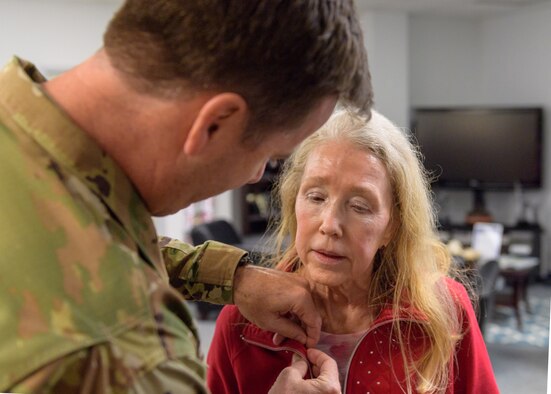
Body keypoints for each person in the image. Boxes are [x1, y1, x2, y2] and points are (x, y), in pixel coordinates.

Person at [0, 1, 373, 392]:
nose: (255, 175)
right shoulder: (128, 357)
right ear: (214, 124)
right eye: (269, 155)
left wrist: (231, 277)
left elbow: (74, 244)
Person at [207, 109, 500, 393]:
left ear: (392, 226)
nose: (330, 225)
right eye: (316, 196)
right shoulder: (242, 322)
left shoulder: (444, 310)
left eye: (360, 206)